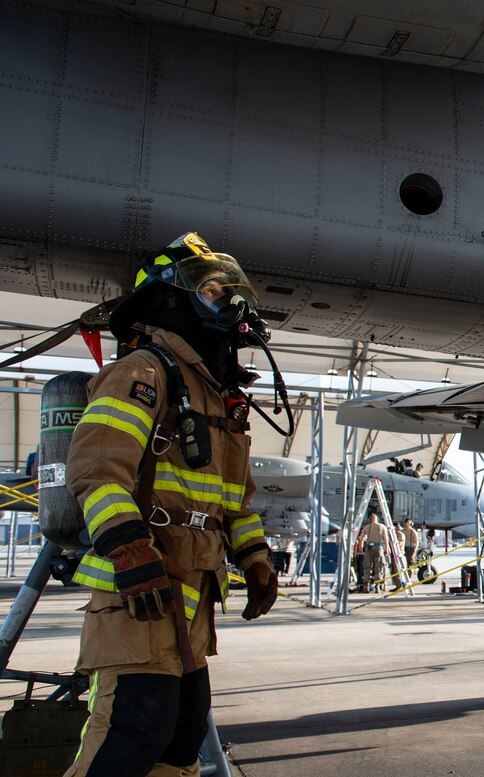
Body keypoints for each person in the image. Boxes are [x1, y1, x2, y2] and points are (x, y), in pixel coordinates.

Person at [64, 232, 278, 777]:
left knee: (182, 736)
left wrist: (254, 560)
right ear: (168, 299)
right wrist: (129, 549)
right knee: (133, 733)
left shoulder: (213, 396)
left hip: (191, 600)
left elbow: (234, 501)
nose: (230, 306)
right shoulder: (143, 371)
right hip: (139, 591)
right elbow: (97, 469)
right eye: (212, 292)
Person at [358, 512, 389, 593]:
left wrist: (360, 548)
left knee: (367, 567)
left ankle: (366, 586)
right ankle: (377, 586)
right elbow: (385, 538)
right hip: (379, 547)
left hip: (369, 548)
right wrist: (387, 549)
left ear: (370, 519)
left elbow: (361, 538)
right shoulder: (382, 527)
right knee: (378, 567)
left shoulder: (367, 527)